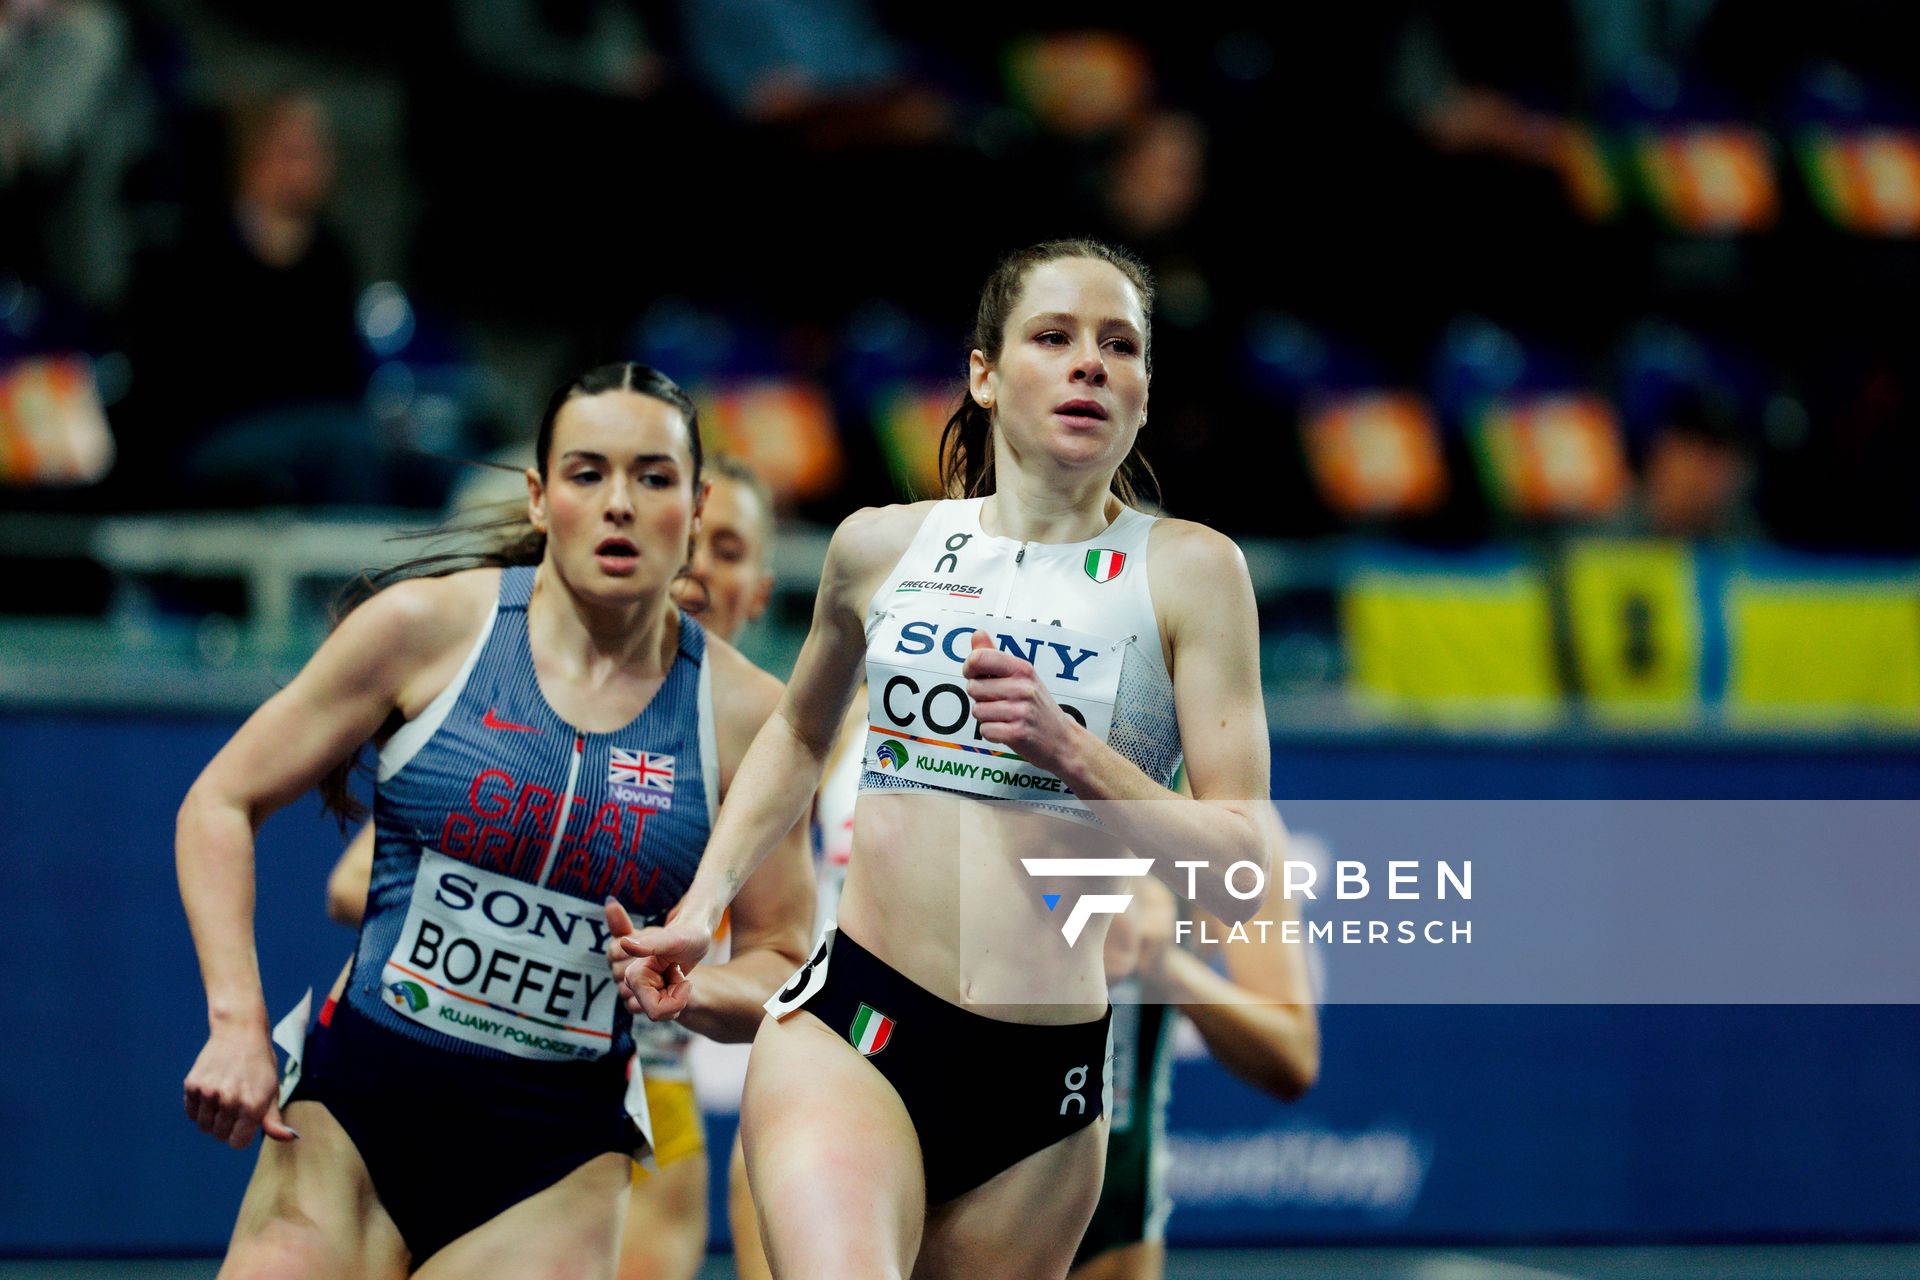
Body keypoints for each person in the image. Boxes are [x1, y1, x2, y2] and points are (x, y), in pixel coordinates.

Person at [608, 239, 1279, 1278]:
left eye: (1120, 345)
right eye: (1054, 337)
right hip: (855, 1030)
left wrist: (1075, 752)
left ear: (1147, 390)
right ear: (983, 372)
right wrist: (703, 906)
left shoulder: (1194, 573)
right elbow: (797, 730)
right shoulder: (882, 547)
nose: (1089, 364)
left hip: (1044, 1095)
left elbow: (1238, 874)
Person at [177, 363, 812, 1279]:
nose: (621, 504)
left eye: (655, 478)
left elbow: (785, 958)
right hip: (353, 1122)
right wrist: (237, 1023)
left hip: (553, 1167)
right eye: (588, 474)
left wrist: (700, 992)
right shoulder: (426, 629)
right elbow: (220, 802)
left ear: (697, 503)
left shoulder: (752, 718)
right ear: (540, 496)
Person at [327, 451, 781, 1280]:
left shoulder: (781, 746)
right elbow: (350, 881)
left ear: (761, 589)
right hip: (476, 1064)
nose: (705, 566)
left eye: (732, 549)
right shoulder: (562, 718)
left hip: (660, 1075)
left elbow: (786, 952)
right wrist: (554, 914)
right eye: (697, 540)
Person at [1070, 842, 1320, 1280]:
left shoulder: (1223, 819)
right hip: (968, 1187)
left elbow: (1292, 1053)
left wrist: (1162, 966)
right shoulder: (969, 786)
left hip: (1114, 1234)